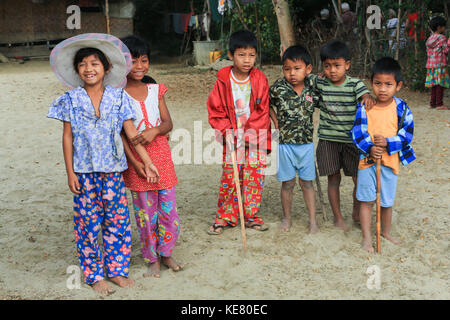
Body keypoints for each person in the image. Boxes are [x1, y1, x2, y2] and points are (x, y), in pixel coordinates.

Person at [47, 33, 159, 294]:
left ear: (107, 68)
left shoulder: (118, 97)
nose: (89, 69)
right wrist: (70, 173)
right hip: (84, 174)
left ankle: (117, 272)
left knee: (117, 223)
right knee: (87, 226)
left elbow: (131, 134)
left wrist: (147, 161)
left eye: (95, 63)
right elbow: (67, 137)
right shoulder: (71, 99)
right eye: (83, 64)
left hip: (113, 173)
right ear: (77, 70)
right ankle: (94, 275)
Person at [119, 35, 183, 277]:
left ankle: (166, 252)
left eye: (143, 60)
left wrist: (154, 130)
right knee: (146, 214)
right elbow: (121, 136)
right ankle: (151, 258)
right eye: (132, 60)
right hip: (137, 161)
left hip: (162, 157)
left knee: (168, 210)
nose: (139, 66)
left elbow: (168, 123)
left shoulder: (156, 89)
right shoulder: (117, 94)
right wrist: (134, 164)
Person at [207, 30, 271, 235]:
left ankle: (250, 215)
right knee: (230, 178)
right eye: (241, 55)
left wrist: (248, 137)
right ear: (231, 55)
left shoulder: (260, 79)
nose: (247, 60)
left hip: (255, 138)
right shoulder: (223, 79)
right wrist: (230, 134)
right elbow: (215, 109)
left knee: (254, 178)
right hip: (231, 138)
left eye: (251, 55)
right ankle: (226, 216)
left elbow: (263, 111)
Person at [351, 57, 416, 252]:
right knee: (366, 201)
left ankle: (385, 232)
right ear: (371, 83)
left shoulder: (401, 108)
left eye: (388, 84)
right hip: (367, 163)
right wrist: (370, 147)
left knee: (387, 201)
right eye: (378, 83)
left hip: (390, 163)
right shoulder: (365, 107)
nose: (382, 89)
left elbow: (407, 133)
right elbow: (357, 132)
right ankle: (366, 238)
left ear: (398, 86)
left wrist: (388, 143)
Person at [312, 40, 375, 231]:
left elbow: (366, 96)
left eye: (337, 65)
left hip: (352, 142)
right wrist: (317, 75)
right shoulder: (320, 82)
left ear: (347, 65)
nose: (332, 70)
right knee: (333, 179)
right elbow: (306, 77)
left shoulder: (355, 84)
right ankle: (338, 217)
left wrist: (366, 98)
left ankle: (357, 211)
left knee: (359, 179)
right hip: (328, 141)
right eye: (327, 66)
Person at [269, 45, 320, 234]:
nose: (292, 73)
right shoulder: (278, 88)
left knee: (307, 183)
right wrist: (275, 122)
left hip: (306, 145)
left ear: (308, 69)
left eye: (297, 69)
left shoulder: (312, 86)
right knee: (287, 183)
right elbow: (265, 103)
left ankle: (313, 220)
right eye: (287, 69)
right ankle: (287, 218)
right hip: (285, 145)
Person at [425, 16, 450, 110]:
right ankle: (439, 104)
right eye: (444, 26)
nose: (444, 28)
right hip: (440, 64)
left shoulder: (429, 39)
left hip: (431, 65)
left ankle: (432, 103)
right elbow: (446, 50)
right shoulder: (442, 38)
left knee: (433, 84)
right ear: (439, 27)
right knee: (440, 84)